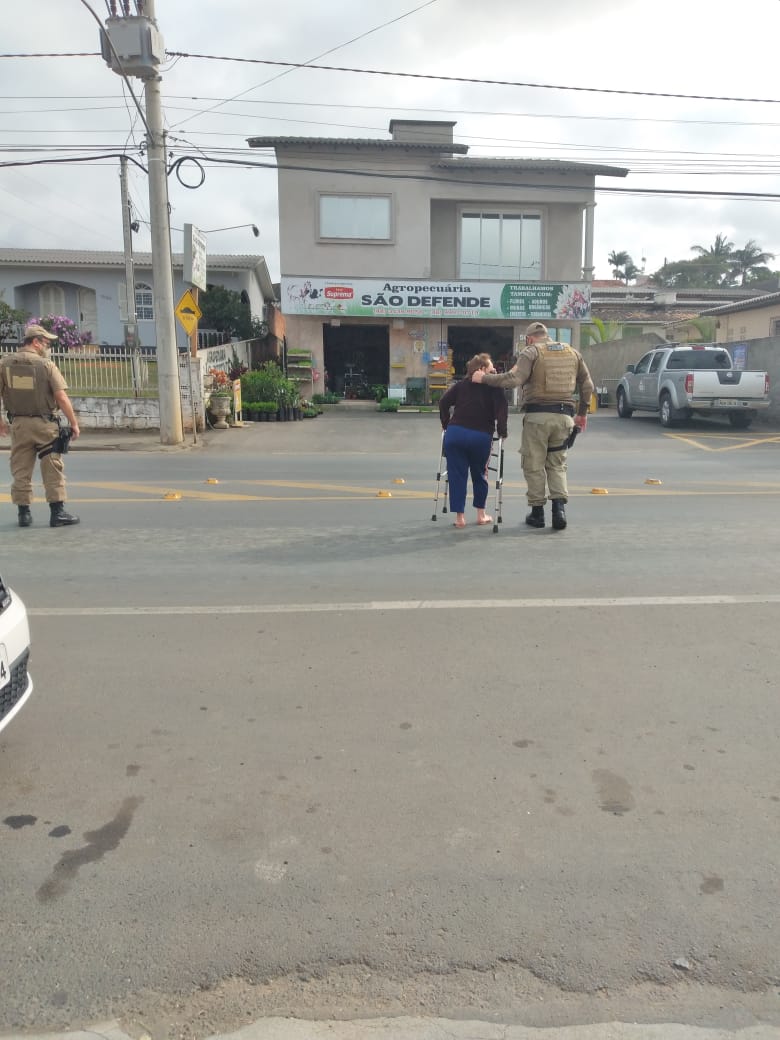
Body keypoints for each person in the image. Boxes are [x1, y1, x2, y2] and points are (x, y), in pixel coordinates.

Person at [472, 321, 593, 531]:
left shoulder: (531, 352)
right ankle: (559, 511)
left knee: (534, 464)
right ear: (547, 335)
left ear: (529, 338)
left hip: (538, 418)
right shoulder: (572, 352)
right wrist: (582, 414)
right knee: (557, 464)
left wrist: (485, 379)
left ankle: (537, 514)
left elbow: (513, 379)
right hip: (564, 417)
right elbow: (587, 384)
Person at [0, 323, 81, 528]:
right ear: (35, 342)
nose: (47, 346)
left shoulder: (4, 364)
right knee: (52, 467)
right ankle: (57, 513)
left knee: (20, 470)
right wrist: (73, 423)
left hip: (18, 424)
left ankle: (24, 514)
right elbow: (61, 396)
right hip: (45, 426)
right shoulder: (46, 365)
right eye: (45, 342)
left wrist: (1, 421)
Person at [438, 352, 508, 529]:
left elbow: (443, 402)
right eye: (492, 368)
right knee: (479, 474)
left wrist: (446, 423)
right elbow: (502, 410)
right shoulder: (495, 387)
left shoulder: (460, 385)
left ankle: (460, 518)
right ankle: (481, 514)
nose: (494, 371)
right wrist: (502, 432)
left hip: (455, 434)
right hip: (480, 435)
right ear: (482, 369)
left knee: (457, 475)